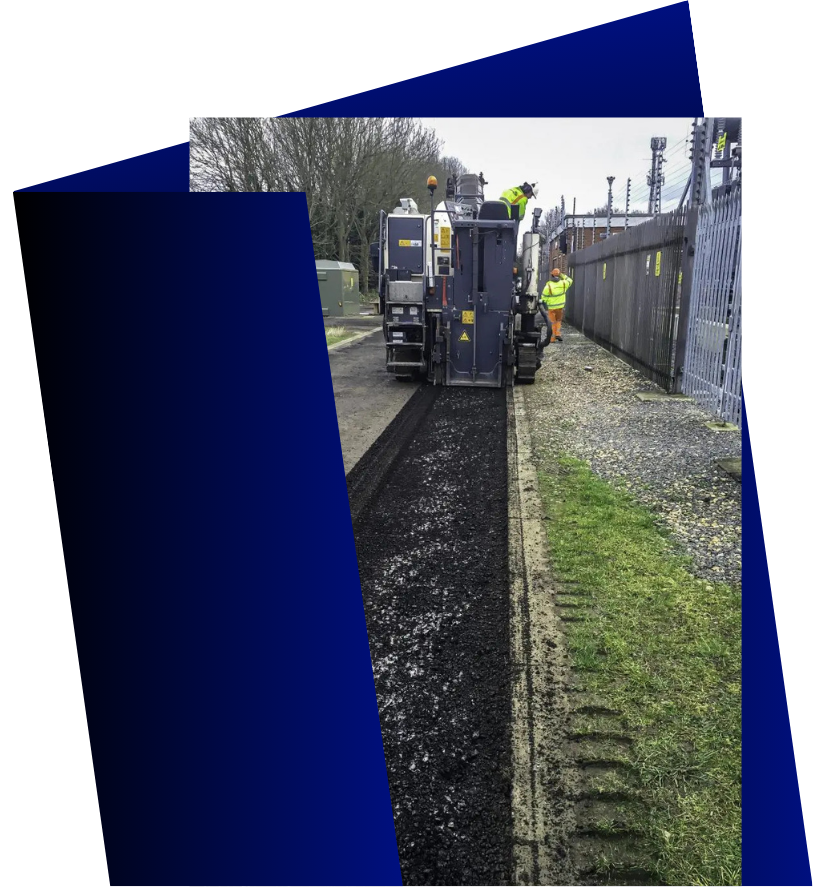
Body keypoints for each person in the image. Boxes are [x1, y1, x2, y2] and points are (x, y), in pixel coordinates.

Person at [541, 268, 572, 342]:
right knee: (558, 320)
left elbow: (543, 298)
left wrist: (544, 303)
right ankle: (558, 334)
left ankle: (552, 338)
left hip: (551, 308)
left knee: (552, 322)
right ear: (559, 275)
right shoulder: (564, 283)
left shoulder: (548, 286)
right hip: (560, 307)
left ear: (551, 275)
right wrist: (561, 275)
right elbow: (570, 280)